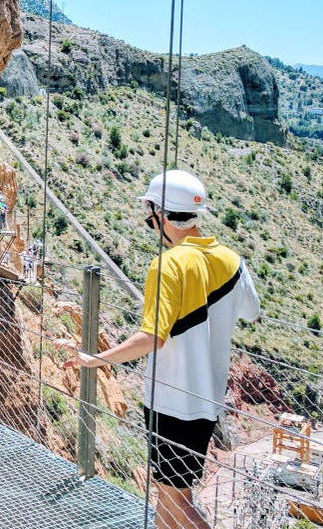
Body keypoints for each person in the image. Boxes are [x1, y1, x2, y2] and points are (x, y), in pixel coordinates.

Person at [60, 170, 260, 529]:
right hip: (208, 398)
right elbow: (251, 311)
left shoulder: (167, 265)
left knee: (176, 500)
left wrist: (95, 359)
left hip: (172, 400)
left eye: (150, 211)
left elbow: (152, 337)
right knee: (168, 495)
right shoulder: (231, 260)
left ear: (160, 213)